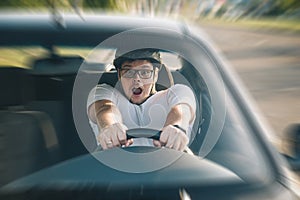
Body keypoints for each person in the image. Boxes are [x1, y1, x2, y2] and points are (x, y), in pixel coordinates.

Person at [87, 48, 196, 151]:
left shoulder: (177, 92)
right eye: (129, 72)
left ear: (155, 74)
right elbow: (104, 109)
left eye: (144, 72)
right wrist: (109, 126)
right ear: (119, 74)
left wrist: (176, 126)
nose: (137, 79)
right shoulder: (104, 92)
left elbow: (182, 110)